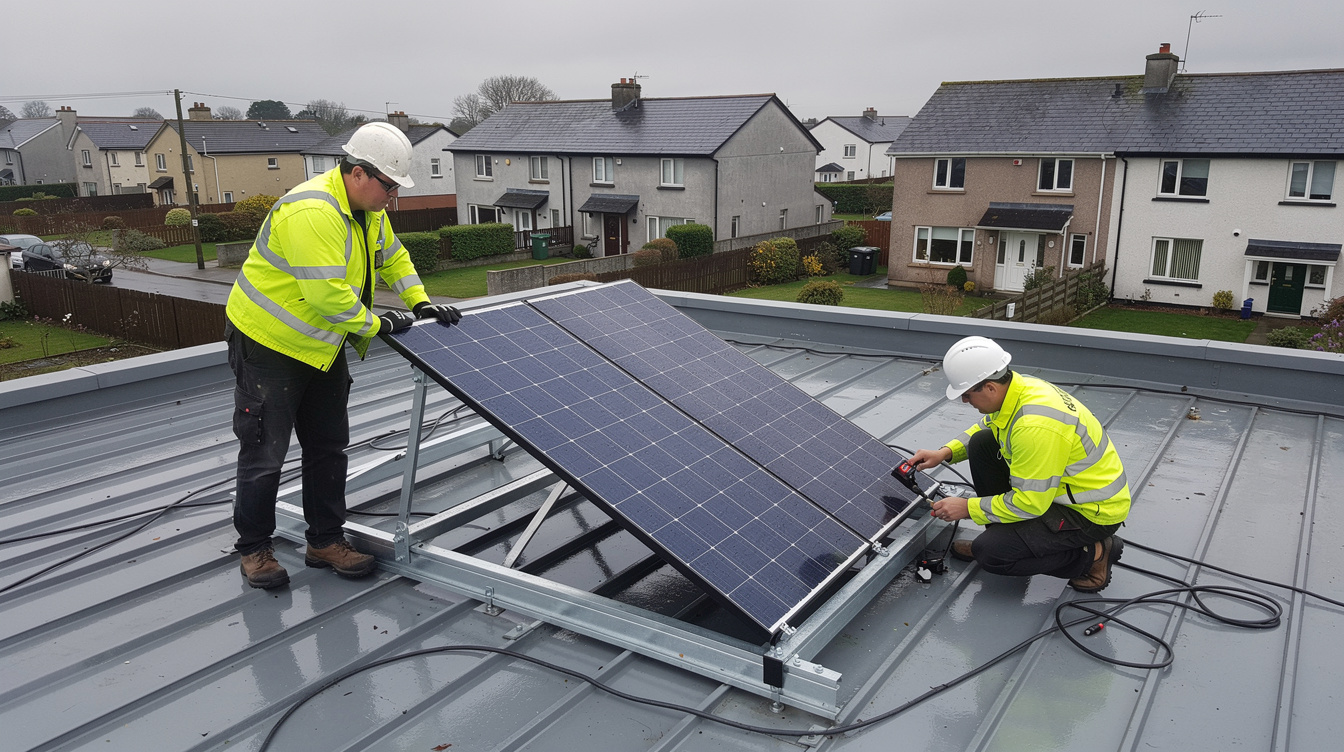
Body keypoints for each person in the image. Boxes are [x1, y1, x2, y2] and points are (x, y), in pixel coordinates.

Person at [224, 121, 461, 589]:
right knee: (264, 453)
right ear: (358, 173)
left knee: (328, 447)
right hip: (269, 345)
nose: (392, 196)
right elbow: (326, 295)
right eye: (388, 186)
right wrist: (378, 323)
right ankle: (254, 550)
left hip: (322, 345)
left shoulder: (368, 212)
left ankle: (325, 540)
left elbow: (393, 258)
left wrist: (419, 301)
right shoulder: (312, 211)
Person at [909, 336, 1131, 592]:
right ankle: (1005, 536)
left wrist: (967, 507)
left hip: (1089, 512)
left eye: (968, 395)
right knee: (983, 443)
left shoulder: (1035, 426)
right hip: (1057, 493)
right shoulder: (1019, 388)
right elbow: (990, 424)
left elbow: (1030, 503)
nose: (965, 401)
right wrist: (945, 452)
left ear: (990, 387)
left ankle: (1094, 555)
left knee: (992, 554)